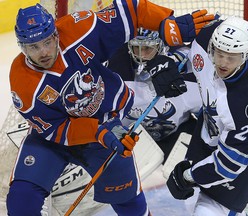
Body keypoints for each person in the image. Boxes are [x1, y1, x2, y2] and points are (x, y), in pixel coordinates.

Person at [7, 1, 215, 215]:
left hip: (107, 123)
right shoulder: (23, 84)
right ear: (22, 47)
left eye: (47, 42)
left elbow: (132, 10)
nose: (43, 52)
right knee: (21, 202)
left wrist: (167, 24)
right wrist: (98, 132)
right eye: (33, 47)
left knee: (131, 207)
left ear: (56, 35)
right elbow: (55, 129)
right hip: (54, 141)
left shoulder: (78, 30)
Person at [166, 16, 248, 215]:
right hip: (214, 119)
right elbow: (189, 50)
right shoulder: (207, 38)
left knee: (207, 210)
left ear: (246, 55)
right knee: (193, 196)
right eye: (219, 54)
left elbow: (229, 165)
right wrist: (171, 61)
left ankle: (238, 201)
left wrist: (188, 176)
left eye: (232, 57)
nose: (223, 63)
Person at [106, 28, 202, 161]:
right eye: (136, 48)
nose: (142, 55)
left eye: (147, 48)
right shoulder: (115, 72)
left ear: (160, 46)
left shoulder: (182, 69)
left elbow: (208, 114)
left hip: (175, 134)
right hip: (129, 140)